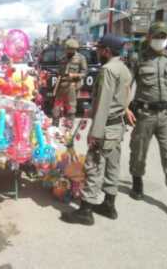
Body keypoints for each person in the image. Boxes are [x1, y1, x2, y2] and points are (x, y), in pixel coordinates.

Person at [61, 34, 132, 225]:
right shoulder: (124, 68)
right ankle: (109, 205)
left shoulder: (108, 70)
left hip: (106, 126)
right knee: (112, 165)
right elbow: (124, 98)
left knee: (93, 165)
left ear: (107, 51)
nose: (98, 52)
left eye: (99, 49)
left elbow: (104, 103)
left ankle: (85, 210)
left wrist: (95, 133)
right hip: (117, 126)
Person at [127, 22, 167, 213]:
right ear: (149, 37)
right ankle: (137, 182)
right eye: (156, 36)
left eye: (163, 37)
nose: (160, 40)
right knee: (139, 151)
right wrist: (125, 108)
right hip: (144, 113)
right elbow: (126, 85)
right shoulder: (138, 58)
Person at [52, 39, 88, 127]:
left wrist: (74, 75)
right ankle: (55, 126)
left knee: (71, 107)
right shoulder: (63, 58)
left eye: (71, 50)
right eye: (68, 49)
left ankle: (69, 127)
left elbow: (85, 73)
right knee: (57, 106)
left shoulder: (81, 58)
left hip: (72, 85)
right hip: (61, 85)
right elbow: (60, 72)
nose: (68, 51)